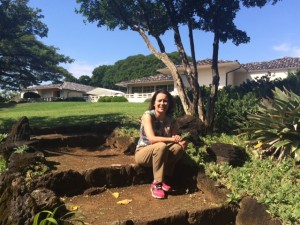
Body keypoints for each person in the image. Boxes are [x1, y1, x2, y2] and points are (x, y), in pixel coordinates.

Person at [135, 89, 187, 199]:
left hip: (161, 153)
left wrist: (180, 141)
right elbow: (152, 139)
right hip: (143, 153)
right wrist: (172, 139)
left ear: (169, 104)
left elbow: (175, 140)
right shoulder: (148, 116)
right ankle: (156, 183)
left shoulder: (171, 121)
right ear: (154, 103)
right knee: (161, 145)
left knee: (178, 147)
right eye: (159, 101)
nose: (162, 103)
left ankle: (165, 177)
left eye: (165, 101)